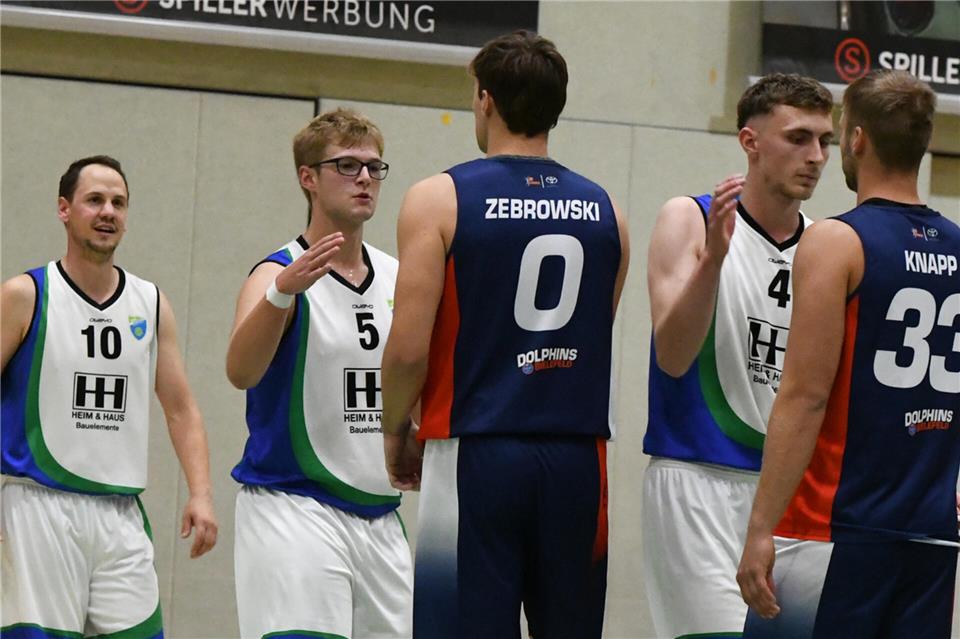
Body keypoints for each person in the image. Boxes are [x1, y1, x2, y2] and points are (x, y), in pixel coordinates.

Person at [380, 30, 630, 639]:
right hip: (578, 459)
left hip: (478, 449)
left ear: (485, 100)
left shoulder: (438, 198)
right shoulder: (607, 211)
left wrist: (395, 430)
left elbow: (410, 346)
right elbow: (598, 328)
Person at [738, 70, 959, 638]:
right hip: (932, 536)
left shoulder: (838, 240)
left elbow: (806, 395)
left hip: (837, 527)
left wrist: (760, 526)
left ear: (857, 139)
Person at [643, 74, 834, 637]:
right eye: (798, 138)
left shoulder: (829, 246)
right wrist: (713, 260)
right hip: (698, 479)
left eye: (825, 140)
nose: (816, 156)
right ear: (750, 142)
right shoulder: (689, 217)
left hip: (791, 497)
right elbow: (673, 356)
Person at [1, 155, 218, 639]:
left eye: (118, 202)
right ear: (64, 209)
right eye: (94, 200)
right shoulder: (25, 294)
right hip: (39, 507)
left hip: (119, 512)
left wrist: (200, 494)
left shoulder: (150, 302)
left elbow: (181, 408)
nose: (108, 212)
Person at [226, 108, 412, 639]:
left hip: (380, 513)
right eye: (347, 166)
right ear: (308, 177)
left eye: (374, 168)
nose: (364, 179)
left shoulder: (400, 276)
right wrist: (281, 294)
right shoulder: (275, 272)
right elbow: (240, 371)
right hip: (294, 506)